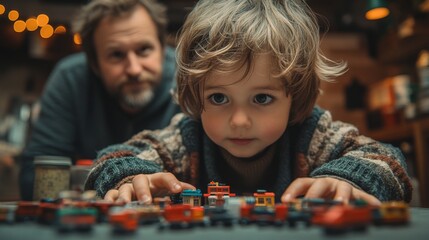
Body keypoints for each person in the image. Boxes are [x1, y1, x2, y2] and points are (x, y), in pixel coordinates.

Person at [85, 0, 413, 205]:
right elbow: (112, 159)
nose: (239, 120)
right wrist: (129, 178)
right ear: (196, 98)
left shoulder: (314, 135)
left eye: (262, 98)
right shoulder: (186, 138)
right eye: (218, 97)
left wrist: (345, 180)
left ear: (294, 96)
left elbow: (389, 161)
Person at [19, 0, 182, 200]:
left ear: (161, 46)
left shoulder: (187, 77)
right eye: (116, 55)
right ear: (94, 64)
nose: (134, 69)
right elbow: (38, 174)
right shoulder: (70, 78)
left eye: (144, 50)